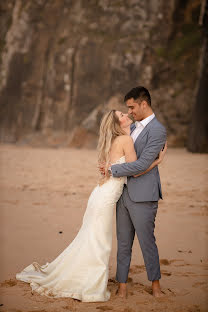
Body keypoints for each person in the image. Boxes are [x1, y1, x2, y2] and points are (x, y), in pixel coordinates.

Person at [16, 109, 167, 302]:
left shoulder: (115, 140)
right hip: (106, 198)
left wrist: (110, 169)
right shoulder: (125, 140)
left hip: (100, 195)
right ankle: (88, 281)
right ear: (117, 124)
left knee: (91, 238)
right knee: (98, 242)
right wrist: (158, 161)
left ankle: (87, 276)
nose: (126, 115)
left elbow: (112, 168)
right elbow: (135, 171)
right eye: (122, 115)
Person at [108, 86, 167, 298]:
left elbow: (142, 164)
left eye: (132, 107)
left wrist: (112, 170)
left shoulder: (158, 130)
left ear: (144, 103)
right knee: (123, 242)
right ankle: (121, 286)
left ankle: (156, 286)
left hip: (144, 194)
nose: (130, 111)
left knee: (147, 241)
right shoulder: (130, 128)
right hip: (122, 193)